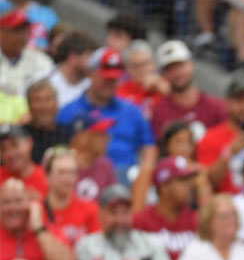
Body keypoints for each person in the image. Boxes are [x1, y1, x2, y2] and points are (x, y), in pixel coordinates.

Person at [57, 47, 156, 205]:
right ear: (91, 73)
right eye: (105, 78)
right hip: (83, 176)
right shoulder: (69, 111)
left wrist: (143, 179)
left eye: (114, 79)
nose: (110, 84)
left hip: (127, 179)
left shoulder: (133, 112)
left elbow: (149, 151)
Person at [74, 184, 174, 260]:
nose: (120, 220)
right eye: (114, 213)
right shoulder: (87, 245)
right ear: (101, 215)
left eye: (125, 212)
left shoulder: (151, 243)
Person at [0, 178, 75, 260]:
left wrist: (38, 228)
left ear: (31, 204)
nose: (13, 208)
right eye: (6, 202)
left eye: (18, 201)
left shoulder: (48, 231)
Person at [150, 40, 227, 140]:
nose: (177, 73)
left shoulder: (216, 107)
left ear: (191, 64)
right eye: (170, 69)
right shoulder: (160, 111)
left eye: (180, 66)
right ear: (164, 74)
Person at [132, 156, 199, 260]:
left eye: (189, 180)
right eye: (182, 181)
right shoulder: (141, 221)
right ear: (164, 186)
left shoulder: (196, 219)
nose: (189, 186)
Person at [0, 9, 53, 123]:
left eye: (25, 30)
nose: (22, 36)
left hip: (29, 123)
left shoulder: (41, 61)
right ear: (1, 32)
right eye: (16, 31)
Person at [40, 147, 100, 246]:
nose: (68, 179)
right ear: (47, 176)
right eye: (62, 173)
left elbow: (96, 249)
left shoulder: (90, 209)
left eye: (72, 172)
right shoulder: (36, 210)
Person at [68, 109, 117, 202]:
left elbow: (112, 203)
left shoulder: (105, 165)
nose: (107, 138)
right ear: (81, 138)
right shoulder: (60, 165)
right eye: (100, 134)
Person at [116, 40, 170, 118]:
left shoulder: (167, 84)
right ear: (128, 69)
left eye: (145, 64)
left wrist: (164, 88)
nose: (141, 69)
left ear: (154, 64)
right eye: (135, 66)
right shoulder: (121, 92)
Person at [23, 79, 71, 165]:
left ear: (57, 104)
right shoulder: (20, 136)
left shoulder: (67, 134)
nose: (43, 106)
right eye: (37, 100)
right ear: (29, 105)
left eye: (48, 99)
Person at [46, 30, 96, 109]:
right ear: (73, 58)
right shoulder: (44, 79)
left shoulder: (92, 86)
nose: (93, 62)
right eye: (90, 56)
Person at [0, 124, 47, 198]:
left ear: (29, 142)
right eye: (3, 149)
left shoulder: (47, 178)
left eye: (15, 145)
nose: (10, 153)